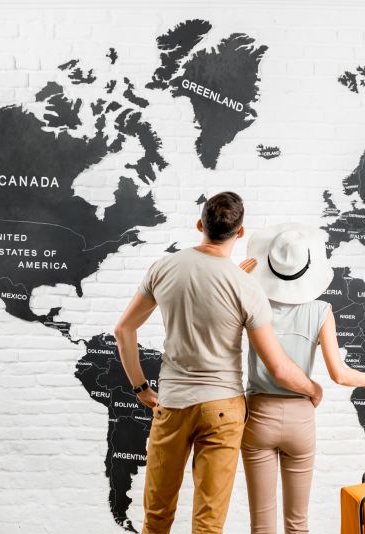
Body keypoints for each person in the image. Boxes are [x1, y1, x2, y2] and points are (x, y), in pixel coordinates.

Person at [113, 192, 323, 534]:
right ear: (240, 233)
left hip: (172, 404)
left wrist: (140, 387)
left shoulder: (164, 267)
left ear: (200, 225)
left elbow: (124, 329)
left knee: (156, 517)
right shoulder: (246, 286)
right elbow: (279, 368)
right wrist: (312, 388)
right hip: (223, 409)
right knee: (208, 525)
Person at [240, 223, 365, 534]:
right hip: (300, 419)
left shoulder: (252, 304)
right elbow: (339, 374)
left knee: (261, 525)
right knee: (298, 525)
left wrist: (237, 280)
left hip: (257, 417)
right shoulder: (322, 311)